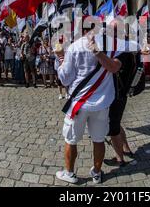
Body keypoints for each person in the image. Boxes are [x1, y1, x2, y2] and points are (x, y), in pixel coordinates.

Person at [55, 30, 122, 184]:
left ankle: (70, 173)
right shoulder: (112, 47)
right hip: (102, 103)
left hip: (79, 103)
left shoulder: (73, 47)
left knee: (71, 139)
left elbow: (65, 79)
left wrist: (60, 58)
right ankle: (97, 173)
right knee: (98, 139)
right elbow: (114, 67)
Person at [104, 51, 136, 168]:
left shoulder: (123, 53)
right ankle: (126, 149)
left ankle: (119, 159)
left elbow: (113, 67)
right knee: (116, 123)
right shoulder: (130, 52)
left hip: (117, 94)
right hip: (121, 92)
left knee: (113, 127)